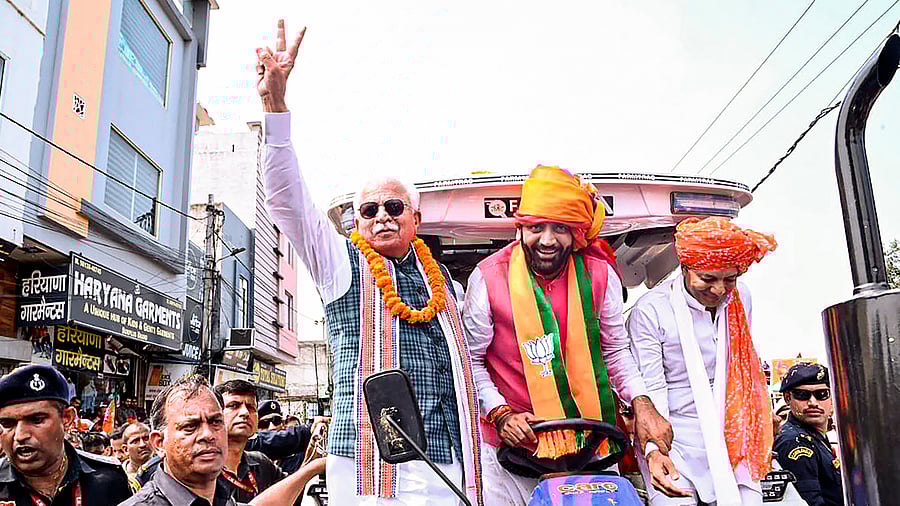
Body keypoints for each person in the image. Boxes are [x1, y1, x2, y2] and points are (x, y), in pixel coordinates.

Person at [257, 19, 483, 505]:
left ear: (415, 218)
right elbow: (286, 200)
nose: (381, 216)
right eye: (368, 210)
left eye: (394, 207)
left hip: (452, 462)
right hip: (366, 469)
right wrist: (274, 108)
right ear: (354, 222)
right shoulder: (342, 264)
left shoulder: (445, 283)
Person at [463, 165, 672, 505]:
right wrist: (500, 413)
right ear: (520, 227)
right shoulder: (488, 278)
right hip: (510, 451)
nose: (547, 240)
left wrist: (642, 402)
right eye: (536, 228)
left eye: (560, 228)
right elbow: (470, 359)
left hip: (591, 447)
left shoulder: (601, 275)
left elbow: (616, 352)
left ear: (576, 233)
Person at [627, 216, 777, 505]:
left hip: (733, 432)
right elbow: (652, 389)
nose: (719, 290)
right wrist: (653, 451)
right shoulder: (651, 311)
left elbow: (742, 366)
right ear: (684, 268)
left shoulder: (741, 297)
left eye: (729, 279)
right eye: (707, 278)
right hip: (674, 438)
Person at [0, 364, 133, 505]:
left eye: (36, 420)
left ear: (67, 418)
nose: (20, 436)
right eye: (8, 424)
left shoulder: (109, 480)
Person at [213, 380, 295, 503]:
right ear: (216, 414)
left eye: (251, 407)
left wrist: (314, 452)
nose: (245, 413)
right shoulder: (205, 469)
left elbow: (294, 495)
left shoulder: (261, 463)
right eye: (234, 405)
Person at [775, 363, 843, 506]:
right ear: (788, 398)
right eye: (802, 395)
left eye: (821, 395)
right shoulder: (794, 442)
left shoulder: (815, 437)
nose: (812, 402)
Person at [122, 422, 152, 491]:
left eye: (146, 438)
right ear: (126, 449)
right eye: (135, 441)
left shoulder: (166, 468)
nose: (142, 445)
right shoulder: (120, 477)